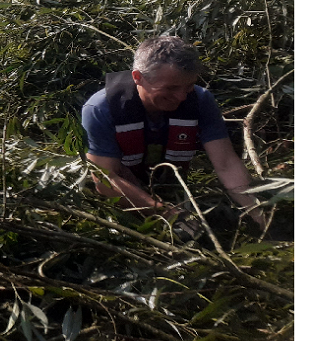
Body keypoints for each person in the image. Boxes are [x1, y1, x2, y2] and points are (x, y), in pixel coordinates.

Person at [82, 35, 266, 236]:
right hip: (123, 200)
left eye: (188, 86)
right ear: (138, 77)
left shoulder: (200, 100)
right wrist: (169, 214)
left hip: (173, 188)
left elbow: (226, 164)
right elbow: (104, 179)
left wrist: (257, 212)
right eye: (170, 88)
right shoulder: (102, 108)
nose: (181, 97)